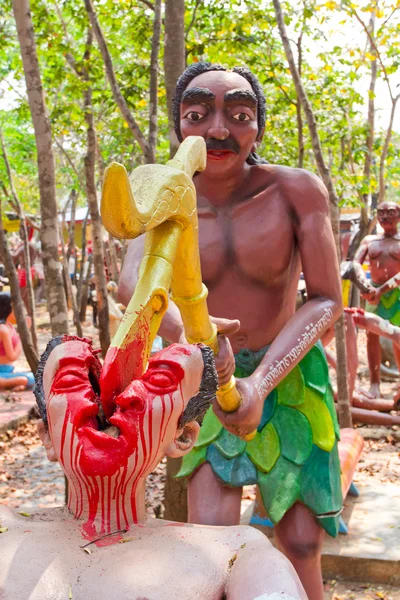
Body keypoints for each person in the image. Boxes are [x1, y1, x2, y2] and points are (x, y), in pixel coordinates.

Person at [118, 62, 343, 600]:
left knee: (302, 540)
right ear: (179, 127)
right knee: (210, 541)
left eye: (238, 114)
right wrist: (197, 339)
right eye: (198, 114)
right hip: (205, 374)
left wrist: (260, 383)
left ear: (257, 128)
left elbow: (327, 297)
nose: (218, 130)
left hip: (289, 378)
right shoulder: (164, 196)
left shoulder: (295, 191)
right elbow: (132, 283)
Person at [0, 336, 306, 600]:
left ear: (182, 436)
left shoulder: (238, 553)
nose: (116, 399)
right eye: (69, 381)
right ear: (47, 437)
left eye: (158, 383)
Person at [354, 201, 400, 398]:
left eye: (390, 212)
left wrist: (381, 290)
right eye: (381, 212)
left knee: (398, 337)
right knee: (372, 335)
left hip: (396, 295)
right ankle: (374, 384)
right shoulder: (369, 240)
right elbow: (355, 264)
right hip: (373, 294)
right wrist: (365, 287)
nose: (385, 216)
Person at [0, 292, 34, 391]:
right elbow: (12, 356)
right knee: (31, 379)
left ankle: (11, 383)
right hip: (2, 371)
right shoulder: (3, 330)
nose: (19, 312)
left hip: (8, 371)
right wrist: (24, 333)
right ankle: (7, 383)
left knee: (36, 376)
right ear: (7, 310)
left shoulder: (9, 326)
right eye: (16, 309)